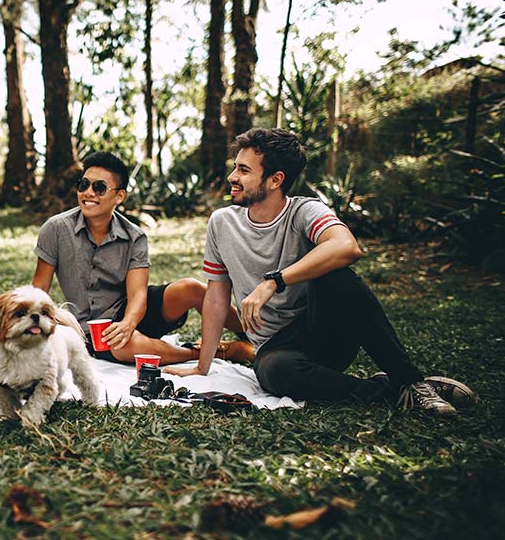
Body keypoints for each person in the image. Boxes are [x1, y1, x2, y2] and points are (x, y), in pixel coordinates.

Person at [165, 128, 475, 416]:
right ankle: (392, 390)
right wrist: (202, 367)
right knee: (274, 373)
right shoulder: (222, 223)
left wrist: (274, 281)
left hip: (325, 332)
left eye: (244, 170)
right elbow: (217, 298)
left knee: (337, 276)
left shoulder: (304, 210)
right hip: (277, 349)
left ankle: (411, 380)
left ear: (275, 180)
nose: (232, 176)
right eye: (236, 167)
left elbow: (346, 247)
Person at [32, 151, 250, 366]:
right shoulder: (56, 229)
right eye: (84, 185)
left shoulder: (134, 236)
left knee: (190, 288)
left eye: (99, 188)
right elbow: (39, 289)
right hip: (90, 329)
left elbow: (137, 294)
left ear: (119, 196)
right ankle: (215, 353)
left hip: (131, 312)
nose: (88, 193)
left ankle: (254, 334)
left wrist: (128, 323)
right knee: (123, 345)